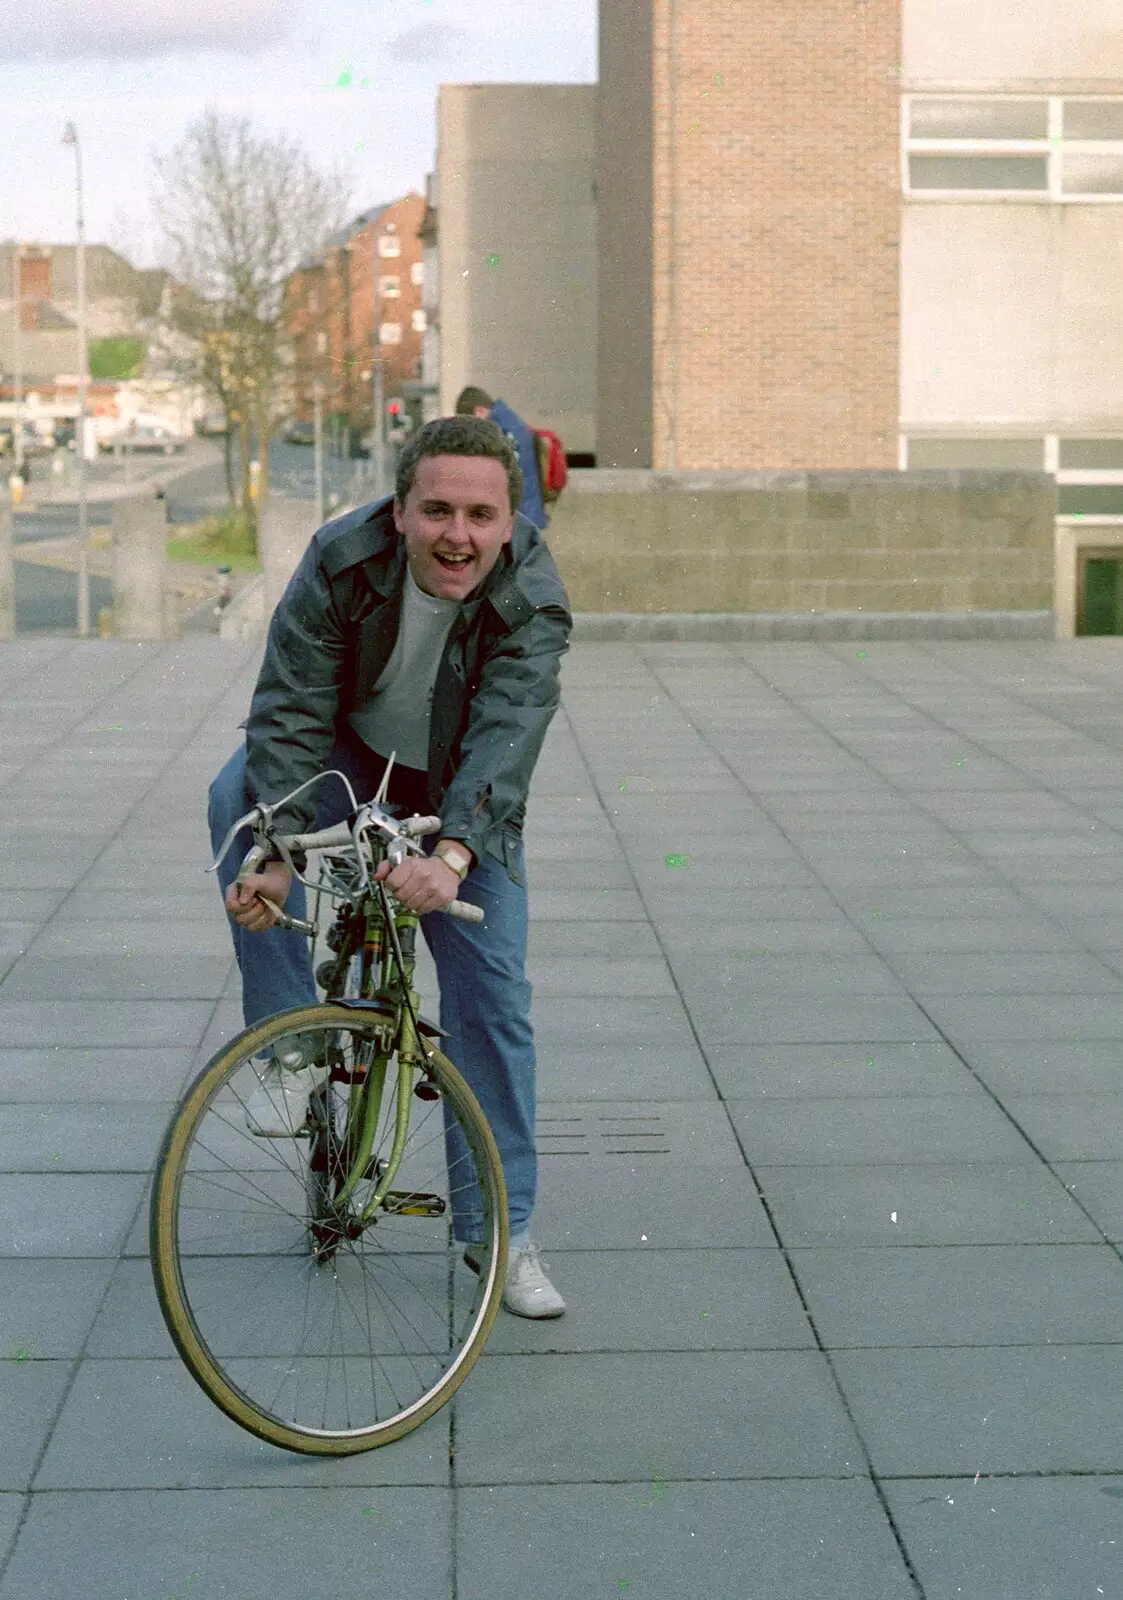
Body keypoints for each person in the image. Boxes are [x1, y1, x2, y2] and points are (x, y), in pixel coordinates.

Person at [207, 414, 571, 1319]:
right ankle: (292, 1043)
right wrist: (278, 854)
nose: (459, 536)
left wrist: (451, 856)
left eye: (480, 516)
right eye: (437, 510)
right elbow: (288, 704)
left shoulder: (532, 592)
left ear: (509, 522)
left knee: (491, 996)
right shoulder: (340, 557)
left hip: (460, 784)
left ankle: (502, 1234)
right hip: (346, 754)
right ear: (399, 509)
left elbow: (507, 736)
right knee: (231, 797)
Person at [455, 386, 547, 530]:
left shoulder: (498, 429)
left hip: (519, 515)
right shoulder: (509, 420)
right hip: (528, 511)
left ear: (479, 411)